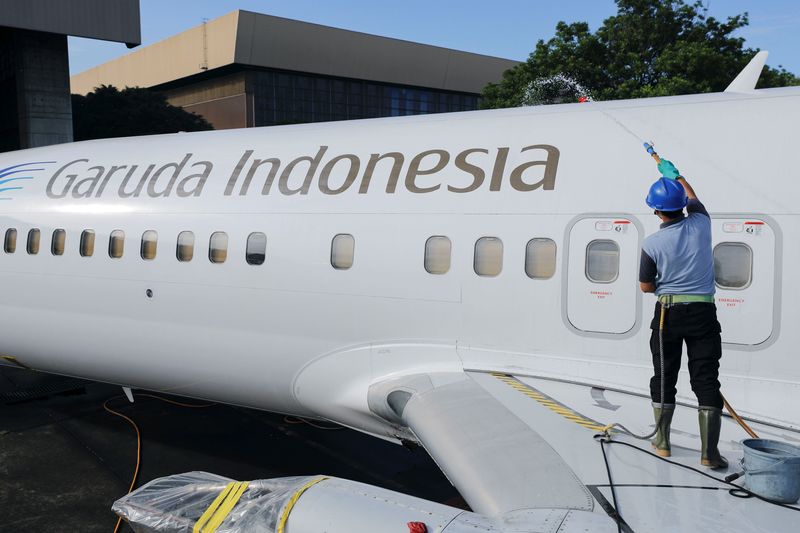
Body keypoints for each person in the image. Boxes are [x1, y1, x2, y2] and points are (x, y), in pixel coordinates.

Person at [639, 158, 728, 469]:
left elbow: (646, 287)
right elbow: (692, 196)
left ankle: (662, 442)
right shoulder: (702, 224)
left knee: (665, 376)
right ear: (681, 206)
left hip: (668, 315)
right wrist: (676, 176)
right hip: (704, 313)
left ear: (656, 211)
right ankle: (710, 454)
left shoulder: (652, 244)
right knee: (706, 379)